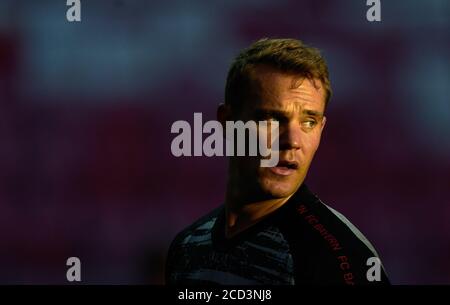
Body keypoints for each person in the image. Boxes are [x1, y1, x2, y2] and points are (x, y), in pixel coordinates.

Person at [165, 38, 390, 285]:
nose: (292, 140)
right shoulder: (187, 247)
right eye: (272, 119)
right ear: (227, 122)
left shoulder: (339, 258)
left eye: (308, 122)